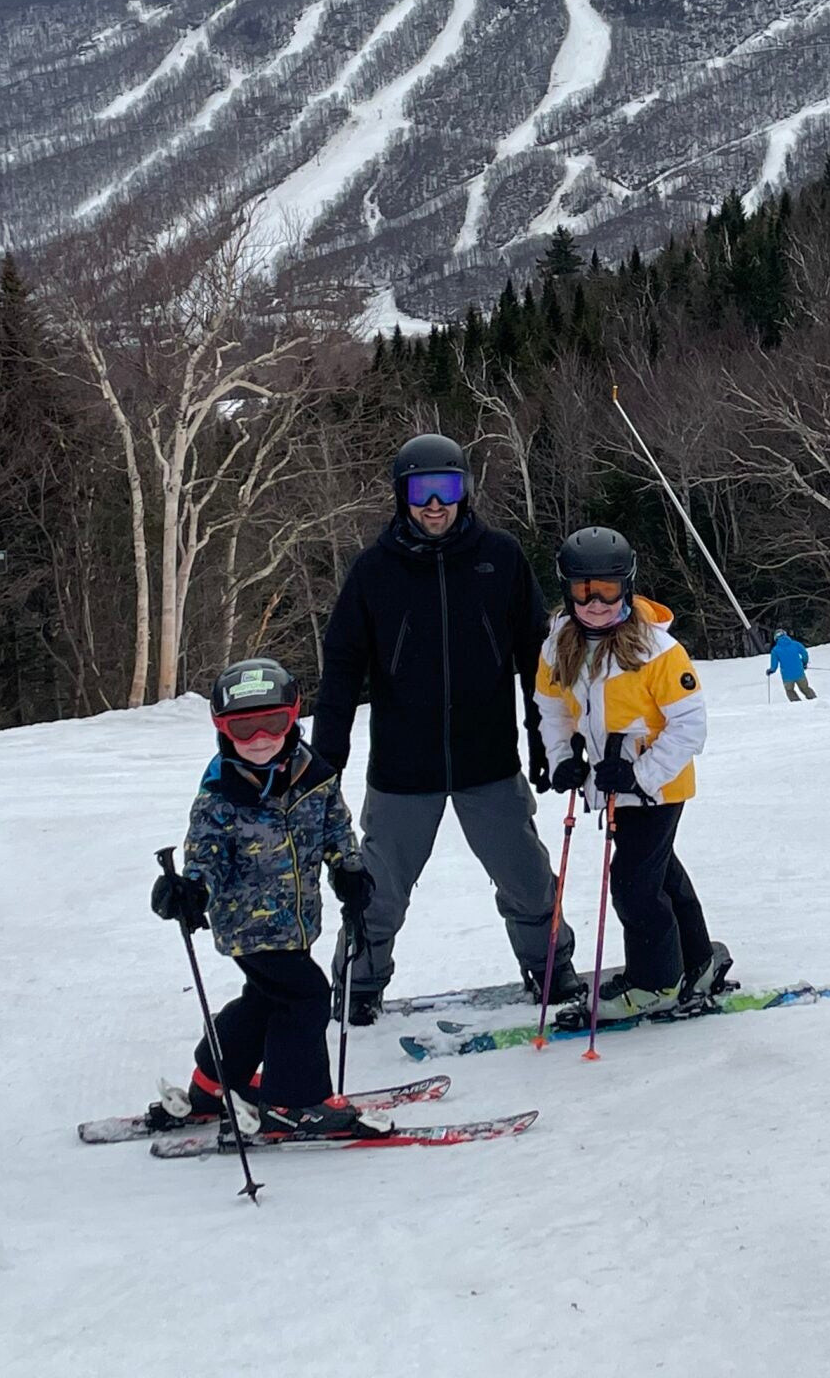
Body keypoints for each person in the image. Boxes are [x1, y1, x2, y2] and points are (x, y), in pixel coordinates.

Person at [313, 434, 580, 1024]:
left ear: (465, 492)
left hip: (488, 760)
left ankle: (549, 967)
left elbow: (536, 663)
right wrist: (324, 760)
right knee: (378, 891)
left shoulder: (501, 558)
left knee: (528, 878)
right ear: (400, 495)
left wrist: (544, 744)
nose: (435, 504)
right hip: (404, 771)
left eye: (448, 489)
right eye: (420, 490)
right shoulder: (374, 572)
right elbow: (340, 671)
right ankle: (358, 985)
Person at [144, 656, 387, 1140]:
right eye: (244, 727)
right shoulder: (220, 795)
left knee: (264, 1002)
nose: (260, 739)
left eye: (273, 723)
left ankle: (212, 1083)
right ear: (223, 729)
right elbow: (205, 856)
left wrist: (348, 868)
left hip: (296, 921)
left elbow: (335, 826)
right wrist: (190, 889)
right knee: (308, 996)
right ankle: (292, 1103)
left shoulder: (314, 775)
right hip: (248, 927)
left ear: (293, 717)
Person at [536, 526, 731, 1024]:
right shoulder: (559, 644)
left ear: (627, 585)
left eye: (608, 589)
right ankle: (697, 961)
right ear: (567, 589)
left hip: (658, 786)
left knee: (633, 883)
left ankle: (655, 982)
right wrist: (562, 760)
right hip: (609, 782)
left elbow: (691, 725)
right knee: (660, 872)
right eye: (584, 591)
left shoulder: (657, 650)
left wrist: (640, 774)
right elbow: (552, 708)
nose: (596, 603)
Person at [767, 627, 817, 701]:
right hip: (799, 672)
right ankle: (814, 701)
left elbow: (774, 666)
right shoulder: (795, 644)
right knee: (805, 688)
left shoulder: (775, 650)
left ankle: (797, 705)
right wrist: (804, 663)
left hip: (787, 676)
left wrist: (771, 670)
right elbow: (804, 653)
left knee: (790, 691)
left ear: (776, 638)